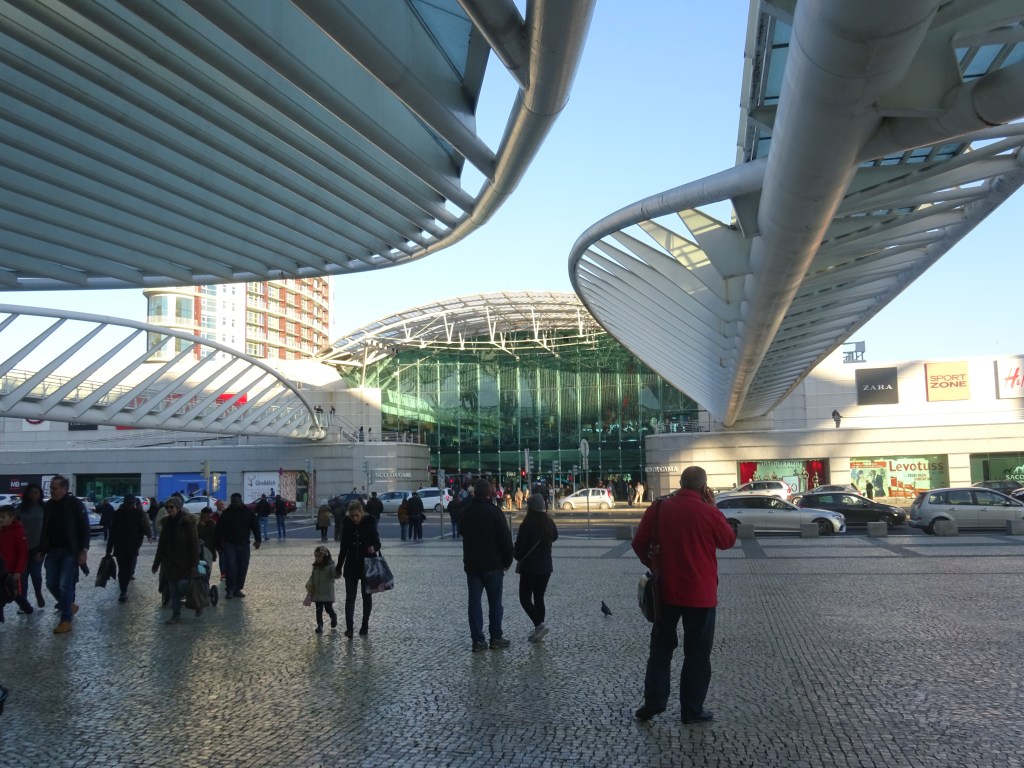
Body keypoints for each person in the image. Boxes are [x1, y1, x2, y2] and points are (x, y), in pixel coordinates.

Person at [631, 466, 737, 724]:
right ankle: (692, 710)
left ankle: (654, 701)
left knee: (660, 650)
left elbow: (638, 543)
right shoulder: (708, 512)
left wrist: (654, 565)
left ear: (679, 483)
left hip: (665, 592)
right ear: (704, 487)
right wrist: (713, 507)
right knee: (697, 654)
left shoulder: (658, 508)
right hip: (700, 595)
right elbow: (727, 541)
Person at [459, 478, 514, 651]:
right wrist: (507, 562)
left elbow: (462, 531)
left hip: (473, 564)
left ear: (475, 492)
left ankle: (478, 640)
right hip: (493, 564)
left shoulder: (466, 511)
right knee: (495, 603)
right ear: (489, 493)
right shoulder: (495, 512)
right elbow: (505, 540)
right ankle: (496, 637)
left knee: (474, 603)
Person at [40, 475, 90, 634]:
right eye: (51, 488)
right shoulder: (48, 506)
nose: (52, 491)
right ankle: (68, 605)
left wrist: (83, 550)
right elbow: (44, 530)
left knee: (64, 584)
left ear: (64, 489)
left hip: (70, 550)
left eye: (54, 488)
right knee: (50, 583)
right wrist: (41, 550)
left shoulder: (75, 504)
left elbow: (84, 527)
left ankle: (66, 619)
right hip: (52, 550)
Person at [514, 493, 558, 642]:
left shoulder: (527, 525)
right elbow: (555, 537)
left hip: (530, 569)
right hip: (546, 568)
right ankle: (539, 629)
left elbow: (519, 551)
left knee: (525, 598)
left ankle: (539, 625)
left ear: (531, 508)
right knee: (539, 597)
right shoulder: (550, 523)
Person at [335, 500, 381, 638]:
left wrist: (374, 547)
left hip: (367, 564)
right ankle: (349, 628)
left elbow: (377, 542)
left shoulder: (369, 522)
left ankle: (365, 624)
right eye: (352, 516)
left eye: (357, 515)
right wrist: (338, 567)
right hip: (351, 565)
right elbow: (343, 548)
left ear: (362, 513)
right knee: (350, 598)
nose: (354, 518)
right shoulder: (347, 524)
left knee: (366, 596)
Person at [151, 496, 199, 625]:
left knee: (182, 586)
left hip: (184, 562)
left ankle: (196, 603)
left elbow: (194, 544)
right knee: (173, 591)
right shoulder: (166, 523)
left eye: (171, 507)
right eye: (167, 507)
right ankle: (175, 615)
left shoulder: (187, 522)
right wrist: (156, 564)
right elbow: (161, 546)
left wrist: (195, 563)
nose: (169, 510)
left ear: (177, 507)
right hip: (170, 563)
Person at [106, 495, 152, 603]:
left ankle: (123, 590)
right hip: (124, 546)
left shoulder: (136, 514)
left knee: (125, 569)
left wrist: (144, 537)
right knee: (124, 569)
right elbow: (113, 532)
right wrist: (109, 548)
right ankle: (123, 591)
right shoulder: (120, 514)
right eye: (130, 503)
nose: (130, 505)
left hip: (128, 546)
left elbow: (143, 527)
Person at [215, 493, 261, 599]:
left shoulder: (248, 512)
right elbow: (219, 530)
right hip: (229, 544)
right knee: (231, 568)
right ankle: (230, 589)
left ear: (241, 500)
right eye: (233, 501)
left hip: (244, 545)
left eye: (236, 501)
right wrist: (218, 544)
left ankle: (238, 588)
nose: (234, 503)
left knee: (243, 567)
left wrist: (258, 540)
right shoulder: (226, 513)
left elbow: (255, 526)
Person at [0, 504, 33, 619]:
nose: (1, 519)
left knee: (15, 594)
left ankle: (28, 609)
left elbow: (23, 553)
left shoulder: (19, 532)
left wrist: (18, 571)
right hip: (1, 569)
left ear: (12, 518)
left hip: (12, 571)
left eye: (3, 517)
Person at [18, 483, 46, 608]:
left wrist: (44, 548)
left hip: (37, 547)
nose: (34, 495)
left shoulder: (44, 508)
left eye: (36, 492)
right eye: (32, 492)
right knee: (23, 576)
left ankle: (38, 593)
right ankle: (23, 602)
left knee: (36, 574)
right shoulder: (21, 508)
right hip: (23, 546)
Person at [306, 545, 340, 634]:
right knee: (318, 610)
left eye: (318, 556)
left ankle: (333, 616)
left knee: (328, 609)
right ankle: (320, 626)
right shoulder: (316, 566)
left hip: (327, 593)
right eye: (315, 556)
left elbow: (335, 575)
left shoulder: (330, 566)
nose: (316, 558)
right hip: (317, 593)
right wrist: (309, 583)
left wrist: (338, 571)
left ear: (324, 556)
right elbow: (312, 577)